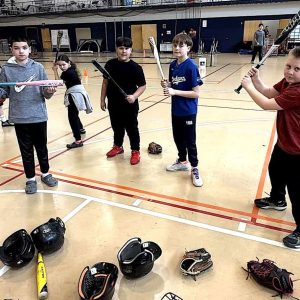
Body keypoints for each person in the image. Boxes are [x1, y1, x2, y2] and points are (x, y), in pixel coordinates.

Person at [241, 47, 300, 249]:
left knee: (297, 191)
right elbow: (267, 92)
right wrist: (256, 80)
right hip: (284, 143)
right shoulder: (287, 82)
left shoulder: (297, 91)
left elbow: (266, 104)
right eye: (288, 66)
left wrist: (248, 87)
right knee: (275, 171)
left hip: (297, 152)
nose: (290, 72)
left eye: (297, 69)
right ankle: (277, 200)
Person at [0, 36, 58, 194]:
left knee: (41, 148)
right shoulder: (6, 69)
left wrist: (50, 90)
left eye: (24, 48)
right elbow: (4, 92)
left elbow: (46, 93)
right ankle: (30, 179)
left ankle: (45, 174)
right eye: (17, 48)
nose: (21, 51)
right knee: (26, 150)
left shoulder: (38, 68)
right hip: (19, 117)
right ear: (11, 49)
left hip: (38, 116)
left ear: (29, 49)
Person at [161, 33, 203, 187]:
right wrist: (167, 85)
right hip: (176, 110)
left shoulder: (191, 67)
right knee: (178, 138)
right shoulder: (173, 65)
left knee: (190, 141)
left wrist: (174, 92)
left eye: (181, 45)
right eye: (175, 45)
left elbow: (196, 93)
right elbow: (173, 85)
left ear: (188, 48)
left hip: (188, 111)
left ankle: (195, 168)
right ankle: (182, 161)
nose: (177, 48)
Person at [100, 36, 146, 165]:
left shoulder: (136, 68)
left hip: (130, 105)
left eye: (127, 48)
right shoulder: (110, 64)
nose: (124, 51)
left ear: (131, 50)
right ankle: (118, 146)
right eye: (121, 48)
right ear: (116, 49)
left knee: (132, 128)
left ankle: (135, 150)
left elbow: (142, 86)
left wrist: (134, 96)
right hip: (113, 103)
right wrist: (102, 99)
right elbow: (105, 83)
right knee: (116, 126)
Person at [52, 54, 92, 149]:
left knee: (72, 117)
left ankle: (78, 140)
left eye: (63, 65)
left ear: (68, 63)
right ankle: (81, 129)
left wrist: (54, 70)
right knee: (75, 113)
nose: (62, 67)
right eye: (60, 65)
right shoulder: (72, 69)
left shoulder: (68, 73)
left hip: (74, 95)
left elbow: (58, 83)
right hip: (77, 93)